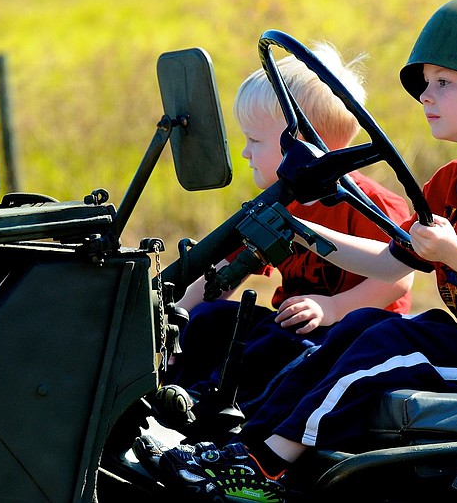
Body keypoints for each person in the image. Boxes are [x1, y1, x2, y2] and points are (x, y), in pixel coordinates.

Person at [136, 0, 457, 502]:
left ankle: (268, 468)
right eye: (426, 84)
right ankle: (241, 449)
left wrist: (454, 253)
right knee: (362, 327)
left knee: (392, 346)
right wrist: (305, 233)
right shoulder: (448, 184)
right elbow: (388, 261)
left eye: (444, 83)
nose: (426, 96)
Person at [150, 42, 414, 430]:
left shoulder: (370, 204)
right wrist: (166, 323)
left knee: (277, 344)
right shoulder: (278, 204)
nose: (245, 153)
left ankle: (205, 414)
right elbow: (221, 272)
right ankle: (161, 393)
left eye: (254, 141)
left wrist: (334, 308)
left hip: (350, 337)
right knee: (211, 319)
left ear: (303, 144)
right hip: (292, 323)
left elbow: (399, 277)